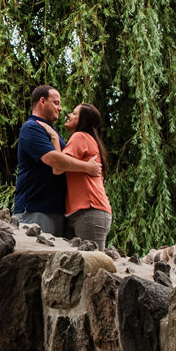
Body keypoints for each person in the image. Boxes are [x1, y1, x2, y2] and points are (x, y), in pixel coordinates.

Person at [12, 83, 102, 234]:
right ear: (42, 102)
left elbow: (61, 162)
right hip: (36, 209)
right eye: (56, 103)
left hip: (55, 211)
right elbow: (55, 160)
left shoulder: (52, 131)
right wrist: (87, 167)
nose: (60, 108)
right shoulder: (32, 127)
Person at [62, 102, 112, 248]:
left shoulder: (80, 137)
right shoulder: (87, 139)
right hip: (86, 212)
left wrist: (52, 136)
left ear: (83, 121)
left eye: (74, 113)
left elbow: (59, 165)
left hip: (89, 211)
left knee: (94, 265)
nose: (69, 115)